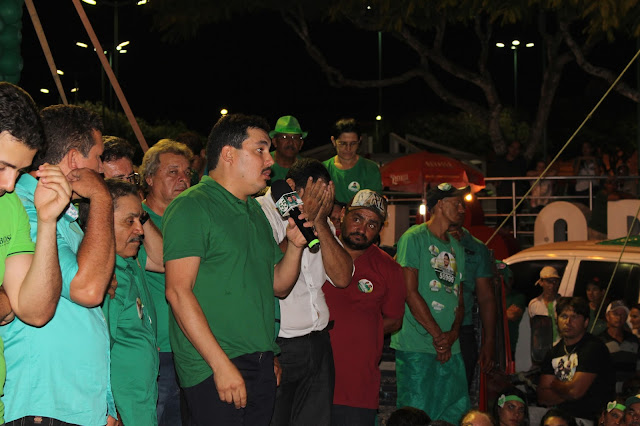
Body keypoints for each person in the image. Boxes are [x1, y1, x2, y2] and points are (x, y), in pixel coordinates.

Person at [162, 113, 311, 425]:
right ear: (228, 154)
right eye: (260, 150)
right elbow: (177, 292)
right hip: (214, 364)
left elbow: (278, 285)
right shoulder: (192, 205)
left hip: (260, 362)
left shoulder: (254, 210)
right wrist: (220, 365)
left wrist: (296, 244)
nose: (270, 160)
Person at [5, 104, 117, 425]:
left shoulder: (65, 218)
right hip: (44, 403)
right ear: (73, 160)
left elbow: (88, 317)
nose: (102, 169)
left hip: (72, 403)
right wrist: (102, 198)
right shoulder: (24, 208)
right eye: (98, 158)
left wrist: (106, 405)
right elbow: (88, 289)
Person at [255, 158, 353, 426]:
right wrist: (301, 221)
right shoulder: (260, 213)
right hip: (279, 344)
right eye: (315, 195)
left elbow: (343, 277)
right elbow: (269, 275)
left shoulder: (319, 216)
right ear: (290, 186)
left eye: (324, 197)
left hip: (318, 342)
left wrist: (318, 220)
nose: (320, 202)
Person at [0, 83, 73, 425]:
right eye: (2, 167)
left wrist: (47, 221)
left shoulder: (10, 206)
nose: (9, 185)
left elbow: (35, 310)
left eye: (18, 171)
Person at [322, 189, 406, 425]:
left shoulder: (390, 269)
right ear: (343, 215)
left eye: (372, 224)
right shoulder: (315, 250)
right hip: (310, 380)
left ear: (380, 230)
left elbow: (395, 319)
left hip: (357, 387)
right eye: (357, 219)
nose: (362, 229)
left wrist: (363, 332)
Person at [391, 182, 470, 424]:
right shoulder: (413, 238)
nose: (462, 209)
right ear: (440, 205)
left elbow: (459, 298)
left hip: (450, 346)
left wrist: (452, 335)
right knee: (414, 416)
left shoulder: (457, 247)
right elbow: (409, 291)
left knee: (454, 413)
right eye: (456, 203)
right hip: (417, 345)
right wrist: (438, 337)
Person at [139, 138, 193, 425]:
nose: (183, 179)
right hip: (157, 351)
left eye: (187, 172)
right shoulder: (133, 220)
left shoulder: (192, 219)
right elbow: (164, 262)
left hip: (192, 347)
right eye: (173, 172)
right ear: (149, 178)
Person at [103, 179, 164, 426]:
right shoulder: (107, 279)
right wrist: (108, 407)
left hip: (140, 404)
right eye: (130, 221)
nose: (140, 229)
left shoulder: (130, 263)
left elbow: (163, 259)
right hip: (121, 410)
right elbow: (99, 352)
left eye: (140, 219)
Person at [537, 297, 615, 422]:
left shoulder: (594, 348)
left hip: (589, 419)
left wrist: (557, 385)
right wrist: (568, 389)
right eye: (563, 316)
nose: (568, 322)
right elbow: (543, 396)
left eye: (574, 317)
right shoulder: (553, 352)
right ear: (557, 320)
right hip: (562, 418)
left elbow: (575, 391)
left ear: (585, 322)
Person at [449, 219, 497, 386]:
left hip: (462, 329)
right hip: (424, 329)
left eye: (460, 207)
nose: (458, 210)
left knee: (459, 392)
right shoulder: (418, 238)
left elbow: (486, 298)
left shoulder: (476, 248)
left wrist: (489, 341)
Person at [322, 118, 382, 204]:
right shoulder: (324, 169)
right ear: (333, 141)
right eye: (343, 143)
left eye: (353, 143)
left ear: (359, 140)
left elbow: (373, 204)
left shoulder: (370, 168)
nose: (348, 148)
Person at [597, 300, 639, 393]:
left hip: (630, 393)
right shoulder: (599, 341)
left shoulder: (634, 340)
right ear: (607, 316)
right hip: (606, 393)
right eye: (615, 314)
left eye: (623, 315)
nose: (619, 317)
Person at [587, 176, 634, 240]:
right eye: (611, 183)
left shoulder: (616, 194)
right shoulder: (601, 194)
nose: (613, 186)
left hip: (606, 232)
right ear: (605, 184)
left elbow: (632, 197)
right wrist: (621, 194)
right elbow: (615, 197)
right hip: (596, 231)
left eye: (615, 184)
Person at [528, 266, 562, 344]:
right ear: (541, 283)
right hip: (543, 346)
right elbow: (534, 331)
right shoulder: (534, 305)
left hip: (560, 346)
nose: (552, 285)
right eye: (548, 282)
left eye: (555, 281)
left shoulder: (563, 303)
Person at [268, 115, 306, 183]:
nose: (290, 142)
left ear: (301, 144)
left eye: (295, 138)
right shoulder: (263, 164)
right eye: (284, 137)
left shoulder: (307, 168)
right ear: (274, 141)